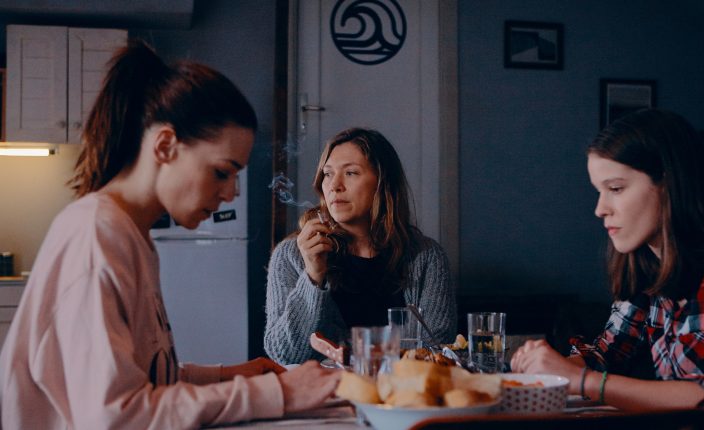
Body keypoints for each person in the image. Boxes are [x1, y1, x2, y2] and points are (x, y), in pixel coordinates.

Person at [0, 41, 340, 429]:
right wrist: (277, 394)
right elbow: (116, 416)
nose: (231, 193)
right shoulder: (96, 236)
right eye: (221, 172)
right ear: (164, 146)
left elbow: (144, 377)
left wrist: (232, 375)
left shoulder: (131, 235)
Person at [511, 109, 704, 429]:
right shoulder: (647, 264)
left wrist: (582, 380)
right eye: (598, 191)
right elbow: (607, 354)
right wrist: (550, 369)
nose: (600, 209)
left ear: (669, 184)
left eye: (616, 189)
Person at [263, 127, 457, 364]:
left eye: (351, 173)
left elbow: (436, 353)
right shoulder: (292, 255)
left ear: (382, 183)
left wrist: (361, 362)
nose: (334, 185)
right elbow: (287, 355)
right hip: (325, 388)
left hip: (400, 387)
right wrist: (313, 276)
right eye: (327, 174)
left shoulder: (426, 257)